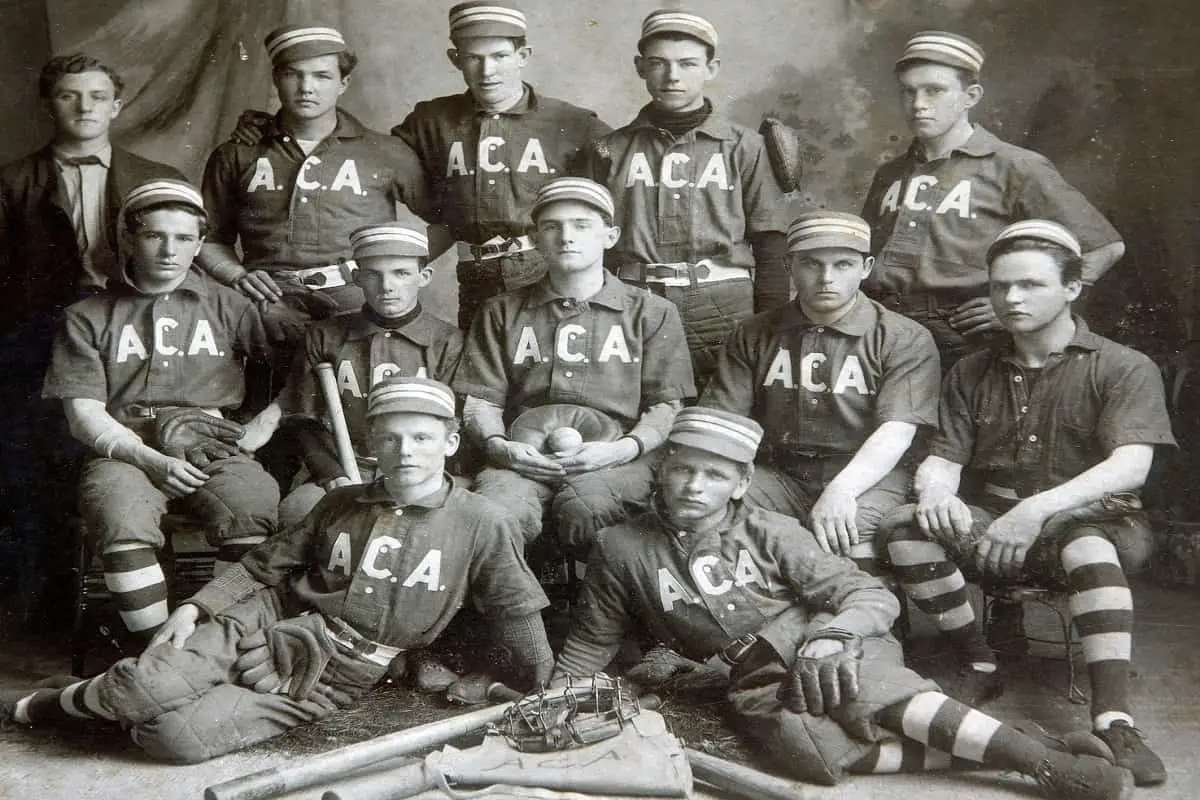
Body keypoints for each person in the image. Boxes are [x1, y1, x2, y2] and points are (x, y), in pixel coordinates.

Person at [552, 407, 1135, 800]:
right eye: (681, 470)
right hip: (749, 675)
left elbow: (865, 591)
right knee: (811, 755)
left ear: (739, 482)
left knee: (869, 694)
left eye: (713, 475)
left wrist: (837, 636)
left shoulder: (772, 529)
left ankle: (1044, 768)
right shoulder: (620, 546)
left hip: (824, 639)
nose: (694, 486)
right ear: (661, 472)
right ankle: (1015, 747)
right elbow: (591, 639)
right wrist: (553, 696)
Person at [1, 377, 554, 765]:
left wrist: (543, 687)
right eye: (390, 438)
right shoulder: (340, 503)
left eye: (423, 438)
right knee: (144, 689)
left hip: (334, 671)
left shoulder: (482, 521)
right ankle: (51, 703)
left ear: (451, 443)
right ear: (370, 446)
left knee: (173, 740)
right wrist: (197, 607)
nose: (405, 451)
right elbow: (263, 566)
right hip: (265, 616)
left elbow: (517, 611)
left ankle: (106, 698)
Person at [877, 220, 1174, 787]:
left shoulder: (1123, 365)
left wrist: (1034, 512)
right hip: (995, 522)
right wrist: (936, 490)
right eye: (999, 286)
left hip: (1097, 522)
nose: (1011, 299)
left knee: (1087, 546)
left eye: (1031, 285)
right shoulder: (971, 369)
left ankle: (1114, 719)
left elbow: (1129, 466)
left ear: (1072, 287)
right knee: (906, 528)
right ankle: (978, 658)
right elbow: (945, 456)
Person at [41, 179, 280, 641]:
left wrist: (260, 425)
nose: (170, 250)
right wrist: (148, 458)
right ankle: (152, 653)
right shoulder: (87, 316)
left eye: (185, 238)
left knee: (253, 506)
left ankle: (215, 645)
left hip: (213, 445)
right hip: (123, 450)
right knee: (120, 515)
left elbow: (295, 372)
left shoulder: (232, 306)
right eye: (154, 235)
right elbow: (84, 413)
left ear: (199, 244)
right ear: (129, 238)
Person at [0, 53, 184, 620]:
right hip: (41, 338)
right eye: (68, 96)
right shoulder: (14, 183)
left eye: (98, 96)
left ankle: (154, 594)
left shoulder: (159, 179)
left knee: (140, 449)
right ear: (47, 104)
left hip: (139, 337)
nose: (84, 107)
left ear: (117, 106)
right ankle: (45, 605)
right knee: (38, 464)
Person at [453, 177, 695, 549]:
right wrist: (500, 446)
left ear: (610, 236)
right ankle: (522, 607)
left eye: (582, 226)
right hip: (525, 455)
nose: (567, 237)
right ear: (536, 239)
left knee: (588, 507)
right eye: (552, 227)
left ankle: (595, 606)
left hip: (619, 458)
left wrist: (623, 448)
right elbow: (481, 401)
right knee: (498, 511)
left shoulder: (652, 312)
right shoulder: (500, 311)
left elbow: (667, 406)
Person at [861, 31, 1125, 365]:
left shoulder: (1014, 166)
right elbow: (862, 256)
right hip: (882, 329)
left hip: (961, 336)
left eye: (935, 91)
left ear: (970, 96)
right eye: (908, 92)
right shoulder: (891, 173)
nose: (919, 104)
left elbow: (1104, 247)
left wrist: (1018, 308)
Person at [701, 211, 939, 576]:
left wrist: (842, 490)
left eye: (843, 264)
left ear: (866, 267)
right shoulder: (753, 333)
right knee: (712, 512)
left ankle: (874, 627)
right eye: (811, 264)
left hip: (866, 473)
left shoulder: (903, 337)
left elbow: (897, 431)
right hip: (780, 471)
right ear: (789, 266)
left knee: (844, 532)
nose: (826, 278)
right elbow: (725, 418)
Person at [582, 9, 790, 387]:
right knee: (639, 409)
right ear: (640, 67)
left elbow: (771, 242)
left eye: (688, 64)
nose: (672, 76)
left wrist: (772, 325)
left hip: (723, 304)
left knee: (723, 415)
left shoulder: (746, 147)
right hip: (636, 298)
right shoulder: (609, 150)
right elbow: (596, 247)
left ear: (712, 68)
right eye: (659, 63)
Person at [198, 24, 428, 352]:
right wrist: (236, 275)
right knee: (268, 395)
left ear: (343, 83)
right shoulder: (237, 153)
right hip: (270, 303)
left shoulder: (386, 150)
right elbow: (208, 238)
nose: (307, 87)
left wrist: (394, 269)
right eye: (293, 75)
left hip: (358, 297)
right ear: (276, 79)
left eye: (322, 76)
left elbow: (444, 219)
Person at [392, 0, 612, 330]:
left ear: (522, 56)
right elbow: (375, 164)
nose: (487, 71)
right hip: (475, 274)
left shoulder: (573, 122)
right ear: (455, 60)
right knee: (483, 370)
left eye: (500, 56)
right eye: (473, 58)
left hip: (547, 268)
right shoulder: (431, 121)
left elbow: (624, 187)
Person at [239, 223, 463, 529]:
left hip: (422, 469)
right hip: (347, 464)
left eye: (401, 273)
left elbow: (454, 424)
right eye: (373, 274)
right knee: (297, 513)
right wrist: (333, 476)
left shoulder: (449, 342)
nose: (387, 285)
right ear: (356, 278)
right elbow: (303, 419)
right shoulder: (324, 336)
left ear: (424, 277)